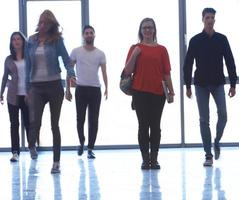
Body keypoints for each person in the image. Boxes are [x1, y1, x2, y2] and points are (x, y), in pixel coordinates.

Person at [183, 8, 237, 167]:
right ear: (203, 19)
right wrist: (188, 85)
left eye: (212, 17)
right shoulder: (195, 40)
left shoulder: (222, 39)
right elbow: (188, 64)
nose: (210, 20)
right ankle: (208, 154)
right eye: (207, 17)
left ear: (215, 20)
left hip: (218, 83)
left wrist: (233, 84)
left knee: (223, 115)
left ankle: (217, 140)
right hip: (200, 84)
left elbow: (230, 61)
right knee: (204, 120)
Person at [25, 10, 75, 173]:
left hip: (54, 86)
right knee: (35, 123)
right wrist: (27, 88)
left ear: (52, 25)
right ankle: (32, 145)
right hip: (36, 87)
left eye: (46, 23)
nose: (43, 25)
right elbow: (27, 66)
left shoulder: (57, 40)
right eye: (41, 22)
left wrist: (71, 74)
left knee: (55, 125)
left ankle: (56, 162)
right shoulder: (31, 41)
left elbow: (67, 60)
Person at [123, 18, 174, 169]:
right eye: (144, 28)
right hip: (139, 92)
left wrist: (171, 91)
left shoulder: (162, 49)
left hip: (159, 93)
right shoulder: (135, 48)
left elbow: (166, 73)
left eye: (150, 28)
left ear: (154, 30)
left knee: (156, 126)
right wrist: (135, 55)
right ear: (140, 30)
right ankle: (145, 159)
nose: (147, 30)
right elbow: (127, 71)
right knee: (143, 126)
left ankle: (155, 158)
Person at [65, 25, 108, 159]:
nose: (89, 35)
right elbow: (69, 70)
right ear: (83, 36)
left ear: (94, 35)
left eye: (91, 33)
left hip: (95, 89)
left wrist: (107, 88)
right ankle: (81, 142)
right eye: (87, 33)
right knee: (80, 119)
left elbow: (104, 72)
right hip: (81, 89)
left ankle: (90, 148)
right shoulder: (76, 51)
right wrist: (67, 89)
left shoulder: (100, 53)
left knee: (93, 120)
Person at [0, 31, 29, 162]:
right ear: (11, 43)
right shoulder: (8, 59)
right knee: (14, 124)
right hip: (13, 96)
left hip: (28, 95)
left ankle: (32, 147)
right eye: (14, 40)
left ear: (23, 41)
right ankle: (15, 152)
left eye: (19, 39)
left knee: (29, 123)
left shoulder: (29, 57)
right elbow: (5, 77)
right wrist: (0, 93)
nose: (16, 41)